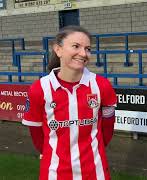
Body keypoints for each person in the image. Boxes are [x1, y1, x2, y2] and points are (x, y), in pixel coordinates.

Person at [22, 25, 117, 180]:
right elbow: (38, 137)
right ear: (58, 50)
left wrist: (93, 151)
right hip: (54, 173)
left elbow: (108, 127)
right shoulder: (39, 89)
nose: (83, 53)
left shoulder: (102, 85)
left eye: (88, 49)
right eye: (76, 46)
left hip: (95, 172)